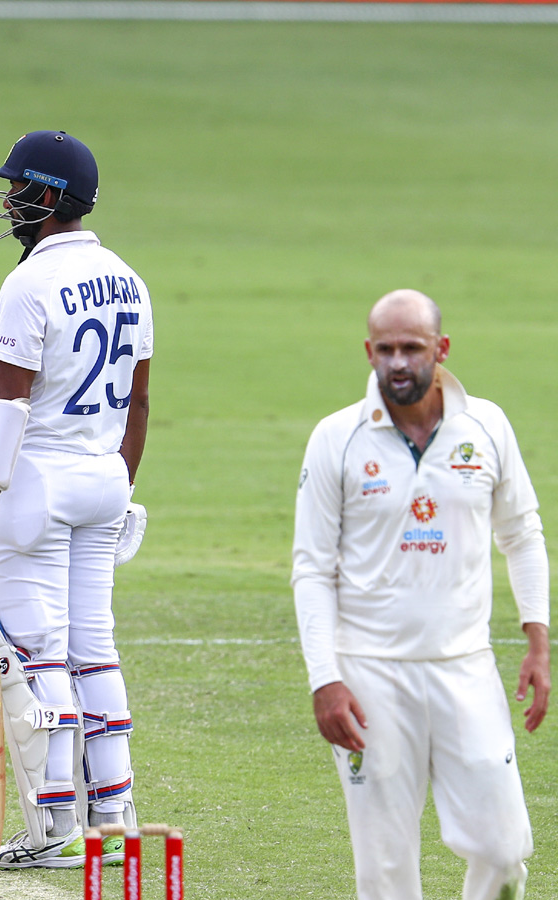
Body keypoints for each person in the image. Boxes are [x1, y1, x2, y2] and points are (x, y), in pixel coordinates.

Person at [292, 289, 550, 900]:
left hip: (465, 668)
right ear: (368, 351)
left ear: (442, 349)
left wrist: (537, 639)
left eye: (412, 348)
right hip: (369, 674)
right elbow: (310, 568)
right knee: (385, 873)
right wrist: (324, 679)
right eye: (385, 350)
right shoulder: (337, 438)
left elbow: (522, 532)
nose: (399, 363)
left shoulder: (486, 425)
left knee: (504, 849)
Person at [0, 131, 154, 869]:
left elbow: (9, 406)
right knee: (94, 647)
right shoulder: (130, 278)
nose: (6, 201)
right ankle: (117, 812)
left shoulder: (29, 283)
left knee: (37, 655)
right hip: (104, 475)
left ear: (51, 198)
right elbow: (139, 404)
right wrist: (123, 489)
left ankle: (55, 829)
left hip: (41, 479)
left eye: (18, 190)